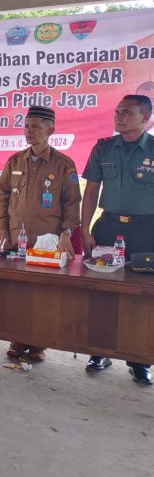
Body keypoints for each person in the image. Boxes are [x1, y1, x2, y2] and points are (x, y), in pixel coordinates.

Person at [0, 106, 82, 361]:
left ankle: (39, 344)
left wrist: (67, 232)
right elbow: (3, 194)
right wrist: (1, 224)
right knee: (18, 293)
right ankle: (18, 341)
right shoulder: (15, 161)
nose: (29, 132)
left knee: (43, 296)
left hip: (47, 242)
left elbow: (72, 203)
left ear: (50, 131)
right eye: (27, 126)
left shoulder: (64, 165)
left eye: (36, 127)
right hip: (16, 240)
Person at [81, 94, 154, 386]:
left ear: (145, 118)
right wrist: (85, 229)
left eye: (127, 112)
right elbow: (91, 192)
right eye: (117, 112)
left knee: (143, 299)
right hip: (109, 227)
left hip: (147, 231)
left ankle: (140, 360)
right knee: (102, 294)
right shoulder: (103, 148)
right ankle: (99, 351)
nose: (119, 116)